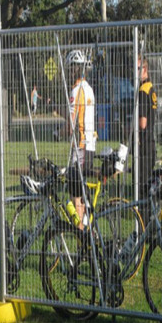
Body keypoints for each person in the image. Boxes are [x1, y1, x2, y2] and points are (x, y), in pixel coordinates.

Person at [65, 50, 96, 230]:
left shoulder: (76, 91)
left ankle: (81, 232)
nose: (70, 72)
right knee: (81, 190)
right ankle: (86, 226)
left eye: (71, 68)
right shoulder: (89, 89)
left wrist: (57, 132)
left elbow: (71, 126)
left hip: (81, 147)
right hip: (90, 145)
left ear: (76, 69)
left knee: (75, 194)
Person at [137, 56, 157, 225]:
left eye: (137, 69)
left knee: (142, 185)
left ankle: (143, 220)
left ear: (144, 69)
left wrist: (129, 128)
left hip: (144, 144)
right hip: (152, 142)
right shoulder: (152, 88)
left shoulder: (143, 90)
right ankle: (150, 217)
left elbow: (142, 123)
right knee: (149, 183)